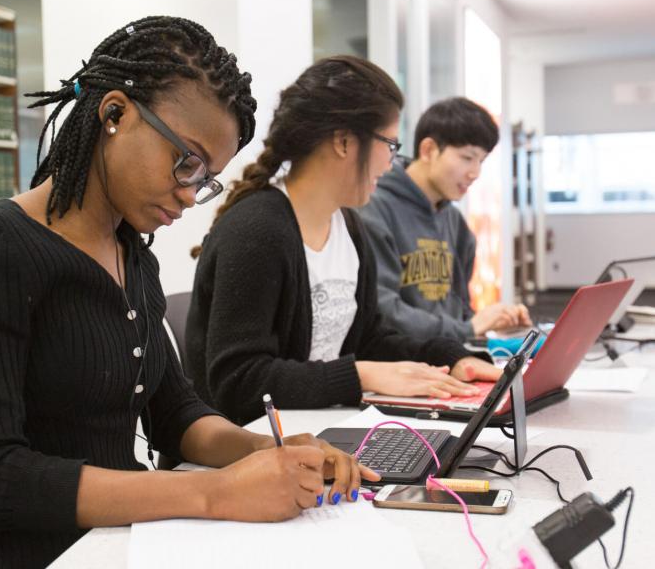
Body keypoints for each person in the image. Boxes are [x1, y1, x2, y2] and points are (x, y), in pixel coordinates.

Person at [0, 17, 376, 568]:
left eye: (205, 178)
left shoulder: (131, 252)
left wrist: (268, 452)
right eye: (187, 161)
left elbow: (174, 412)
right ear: (115, 113)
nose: (188, 195)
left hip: (121, 543)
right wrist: (216, 494)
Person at [185, 56, 501, 427]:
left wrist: (450, 357)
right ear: (344, 141)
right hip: (240, 457)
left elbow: (369, 337)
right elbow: (238, 383)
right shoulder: (258, 231)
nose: (390, 164)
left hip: (316, 436)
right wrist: (359, 376)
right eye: (390, 146)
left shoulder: (349, 227)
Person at [360, 97, 531, 341]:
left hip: (449, 358)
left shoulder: (455, 223)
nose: (475, 173)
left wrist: (493, 325)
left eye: (481, 161)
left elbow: (459, 312)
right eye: (467, 157)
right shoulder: (374, 208)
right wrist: (469, 329)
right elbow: (382, 311)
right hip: (401, 366)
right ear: (428, 150)